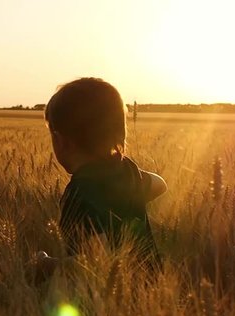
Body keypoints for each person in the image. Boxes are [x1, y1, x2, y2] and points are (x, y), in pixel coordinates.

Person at [41, 77, 166, 272]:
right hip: (151, 285)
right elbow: (160, 184)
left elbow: (95, 261)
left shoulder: (79, 193)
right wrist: (133, 192)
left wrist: (47, 265)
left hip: (108, 295)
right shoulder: (128, 171)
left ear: (60, 141)